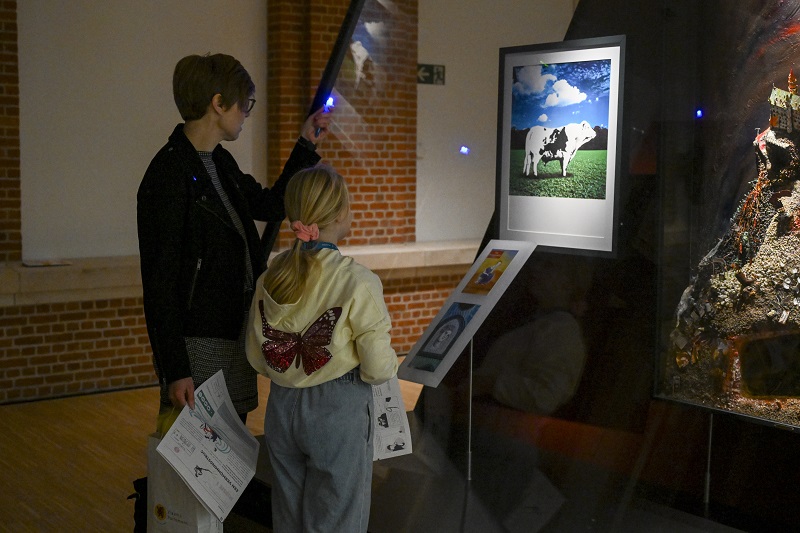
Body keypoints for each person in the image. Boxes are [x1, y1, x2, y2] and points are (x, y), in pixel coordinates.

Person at [137, 53, 331, 431]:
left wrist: (305, 146)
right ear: (218, 103)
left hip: (233, 333)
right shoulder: (168, 175)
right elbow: (159, 284)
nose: (246, 112)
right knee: (201, 467)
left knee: (231, 458)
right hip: (198, 344)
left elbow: (272, 204)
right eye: (244, 103)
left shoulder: (220, 163)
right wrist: (175, 370)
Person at [245, 166, 398, 532]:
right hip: (337, 413)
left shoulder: (272, 276)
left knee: (288, 518)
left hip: (281, 411)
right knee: (336, 519)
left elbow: (256, 355)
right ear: (338, 215)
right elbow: (378, 369)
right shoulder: (356, 280)